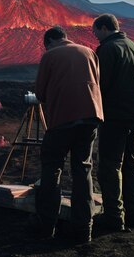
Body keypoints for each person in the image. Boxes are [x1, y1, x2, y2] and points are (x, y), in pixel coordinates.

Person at [34, 26, 104, 244]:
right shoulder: (89, 52)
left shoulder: (50, 55)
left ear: (51, 41)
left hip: (63, 119)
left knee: (52, 168)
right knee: (83, 170)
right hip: (91, 117)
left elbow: (40, 93)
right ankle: (84, 230)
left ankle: (46, 227)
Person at [92, 14, 134, 231]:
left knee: (110, 165)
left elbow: (100, 84)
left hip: (116, 116)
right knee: (131, 163)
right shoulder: (133, 46)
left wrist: (96, 111)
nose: (95, 36)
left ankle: (114, 218)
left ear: (104, 28)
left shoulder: (108, 49)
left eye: (95, 31)